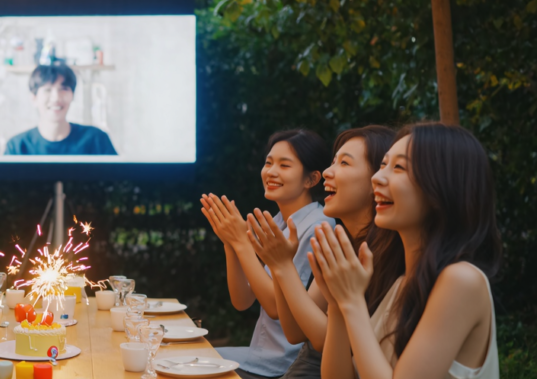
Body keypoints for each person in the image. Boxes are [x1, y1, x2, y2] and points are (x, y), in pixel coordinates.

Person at [312, 122, 502, 379]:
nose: (377, 178)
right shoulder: (401, 286)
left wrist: (352, 301)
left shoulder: (462, 280)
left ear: (442, 187)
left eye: (399, 167)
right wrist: (336, 303)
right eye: (382, 165)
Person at [246, 126, 404, 379]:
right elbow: (296, 332)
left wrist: (277, 264)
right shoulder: (344, 245)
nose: (329, 172)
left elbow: (321, 338)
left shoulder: (383, 253)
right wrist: (279, 265)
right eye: (333, 162)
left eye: (344, 163)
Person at [200, 129, 333, 379]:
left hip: (282, 365)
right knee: (181, 357)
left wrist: (241, 242)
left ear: (311, 179)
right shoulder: (278, 221)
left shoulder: (317, 226)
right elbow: (243, 300)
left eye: (284, 165)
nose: (271, 172)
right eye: (269, 162)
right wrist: (230, 242)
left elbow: (274, 306)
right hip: (260, 356)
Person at [4, 64, 117, 155]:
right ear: (34, 98)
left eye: (63, 89)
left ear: (72, 95)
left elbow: (119, 182)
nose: (56, 97)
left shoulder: (96, 139)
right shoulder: (17, 147)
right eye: (48, 90)